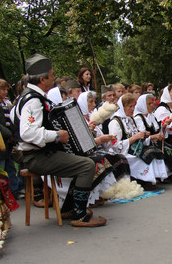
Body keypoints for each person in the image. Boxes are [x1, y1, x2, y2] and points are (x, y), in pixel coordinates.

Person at [10, 53, 106, 227]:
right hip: (37, 156)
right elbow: (27, 132)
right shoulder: (33, 101)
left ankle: (68, 208)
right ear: (42, 79)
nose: (54, 79)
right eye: (52, 75)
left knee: (83, 160)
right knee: (87, 165)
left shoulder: (27, 97)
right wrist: (56, 135)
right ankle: (80, 214)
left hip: (37, 153)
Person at [109, 93, 167, 190]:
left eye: (133, 106)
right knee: (146, 154)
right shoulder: (115, 122)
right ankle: (144, 180)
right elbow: (115, 146)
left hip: (133, 149)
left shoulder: (130, 119)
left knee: (152, 151)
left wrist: (144, 136)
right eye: (129, 106)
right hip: (123, 152)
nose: (132, 109)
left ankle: (149, 179)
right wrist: (133, 138)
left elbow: (137, 137)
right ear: (122, 107)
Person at [134, 94, 172, 176]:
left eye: (153, 103)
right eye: (149, 104)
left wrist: (163, 126)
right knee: (169, 153)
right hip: (148, 144)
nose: (152, 105)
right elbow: (141, 137)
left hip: (157, 143)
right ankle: (164, 175)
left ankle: (171, 174)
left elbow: (158, 130)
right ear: (142, 105)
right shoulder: (138, 118)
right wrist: (154, 137)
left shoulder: (151, 116)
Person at [0, 79, 23, 198]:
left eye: (6, 89)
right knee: (1, 167)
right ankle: (0, 193)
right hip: (1, 141)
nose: (5, 92)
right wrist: (8, 134)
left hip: (9, 140)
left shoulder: (6, 103)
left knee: (11, 166)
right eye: (3, 90)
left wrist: (12, 135)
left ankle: (13, 190)